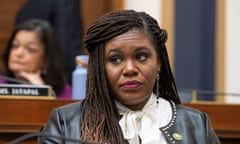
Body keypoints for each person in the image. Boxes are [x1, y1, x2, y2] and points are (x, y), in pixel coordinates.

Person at [39, 10, 220, 143]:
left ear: (159, 62)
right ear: (100, 68)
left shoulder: (196, 125)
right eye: (115, 59)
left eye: (141, 56)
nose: (130, 69)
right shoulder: (65, 122)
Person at [15, 0, 84, 83]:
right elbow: (68, 47)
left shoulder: (27, 6)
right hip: (56, 79)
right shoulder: (64, 2)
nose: (18, 52)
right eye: (14, 46)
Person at [1, 19, 72, 99]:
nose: (18, 53)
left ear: (46, 59)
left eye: (30, 49)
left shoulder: (66, 93)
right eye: (15, 45)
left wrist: (41, 89)